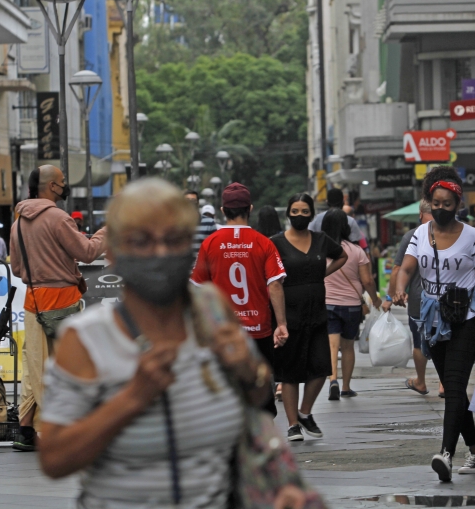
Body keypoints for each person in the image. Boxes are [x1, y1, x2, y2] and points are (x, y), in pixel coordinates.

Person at [38, 178, 307, 509]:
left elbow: (257, 397)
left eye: (174, 239)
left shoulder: (212, 311)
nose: (161, 252)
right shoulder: (87, 338)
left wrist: (251, 372)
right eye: (141, 240)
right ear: (114, 253)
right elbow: (54, 458)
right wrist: (133, 398)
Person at [394, 167, 475, 481]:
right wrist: (400, 287)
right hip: (434, 320)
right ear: (429, 203)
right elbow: (406, 268)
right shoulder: (420, 234)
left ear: (458, 204)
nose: (441, 208)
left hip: (467, 318)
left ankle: (446, 454)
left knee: (453, 386)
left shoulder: (474, 237)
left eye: (447, 204)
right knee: (454, 387)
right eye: (436, 204)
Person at [9, 165, 106, 451]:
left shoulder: (17, 223)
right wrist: (105, 233)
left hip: (34, 302)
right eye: (62, 181)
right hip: (63, 301)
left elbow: (17, 268)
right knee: (67, 366)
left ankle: (25, 429)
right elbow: (87, 252)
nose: (64, 186)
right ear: (52, 186)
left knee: (34, 365)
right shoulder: (59, 218)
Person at [192, 183, 289, 416]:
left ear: (222, 210)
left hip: (224, 331)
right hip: (259, 330)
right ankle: (264, 431)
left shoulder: (210, 243)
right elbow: (275, 284)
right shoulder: (264, 243)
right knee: (261, 390)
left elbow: (199, 289)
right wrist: (282, 324)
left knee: (227, 390)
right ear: (250, 208)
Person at [271, 193, 347, 441]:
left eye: (305, 211)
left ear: (312, 214)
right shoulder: (276, 243)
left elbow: (342, 256)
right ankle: (293, 424)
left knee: (321, 367)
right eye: (295, 211)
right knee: (290, 372)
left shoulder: (321, 239)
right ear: (288, 213)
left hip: (317, 313)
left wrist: (324, 273)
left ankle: (305, 412)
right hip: (289, 314)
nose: (300, 216)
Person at [322, 209, 381, 400]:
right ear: (346, 227)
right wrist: (375, 299)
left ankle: (333, 380)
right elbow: (367, 281)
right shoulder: (356, 251)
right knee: (347, 347)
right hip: (352, 306)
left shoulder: (319, 248)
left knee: (332, 346)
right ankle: (346, 387)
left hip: (327, 303)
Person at [383, 200, 434, 396]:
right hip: (446, 299)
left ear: (420, 214)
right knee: (444, 340)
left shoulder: (412, 235)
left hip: (419, 299)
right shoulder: (450, 234)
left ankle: (421, 381)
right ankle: (444, 384)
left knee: (419, 342)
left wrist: (390, 296)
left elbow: (398, 269)